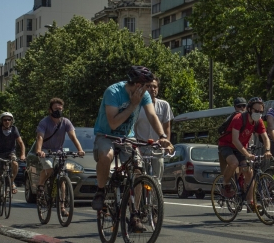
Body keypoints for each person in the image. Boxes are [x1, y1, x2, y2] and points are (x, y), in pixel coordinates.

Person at [91, 66, 171, 231]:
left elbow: (152, 116)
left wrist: (163, 137)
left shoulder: (144, 95)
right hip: (106, 135)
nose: (148, 89)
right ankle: (100, 191)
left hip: (127, 137)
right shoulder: (113, 92)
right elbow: (113, 123)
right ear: (136, 84)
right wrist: (133, 105)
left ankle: (134, 214)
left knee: (138, 169)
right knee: (107, 156)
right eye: (145, 85)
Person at [217, 97, 273, 209]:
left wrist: (267, 150)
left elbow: (266, 138)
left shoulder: (259, 121)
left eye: (261, 112)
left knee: (248, 172)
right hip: (226, 144)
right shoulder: (238, 119)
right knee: (234, 163)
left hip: (240, 147)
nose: (258, 114)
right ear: (249, 109)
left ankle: (250, 202)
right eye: (256, 111)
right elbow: (235, 140)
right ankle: (225, 184)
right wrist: (247, 155)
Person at [35, 98, 85, 217]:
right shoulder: (44, 122)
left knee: (62, 177)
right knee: (49, 168)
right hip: (46, 151)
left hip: (59, 151)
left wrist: (80, 150)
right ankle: (41, 187)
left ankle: (62, 207)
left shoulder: (66, 122)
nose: (59, 111)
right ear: (50, 110)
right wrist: (39, 150)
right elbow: (40, 138)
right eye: (56, 109)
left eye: (60, 109)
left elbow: (73, 136)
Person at [134, 75, 174, 181]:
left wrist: (167, 144)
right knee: (140, 177)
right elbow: (133, 128)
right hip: (141, 147)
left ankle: (156, 196)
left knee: (157, 180)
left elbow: (167, 127)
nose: (152, 89)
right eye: (149, 86)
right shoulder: (137, 105)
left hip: (157, 148)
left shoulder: (164, 105)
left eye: (155, 87)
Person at [0, 112, 26, 210]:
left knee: (15, 164)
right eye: (5, 120)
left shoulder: (14, 129)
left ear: (12, 121)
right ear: (1, 121)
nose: (7, 122)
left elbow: (21, 143)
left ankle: (11, 182)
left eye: (9, 120)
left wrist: (22, 154)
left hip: (10, 152)